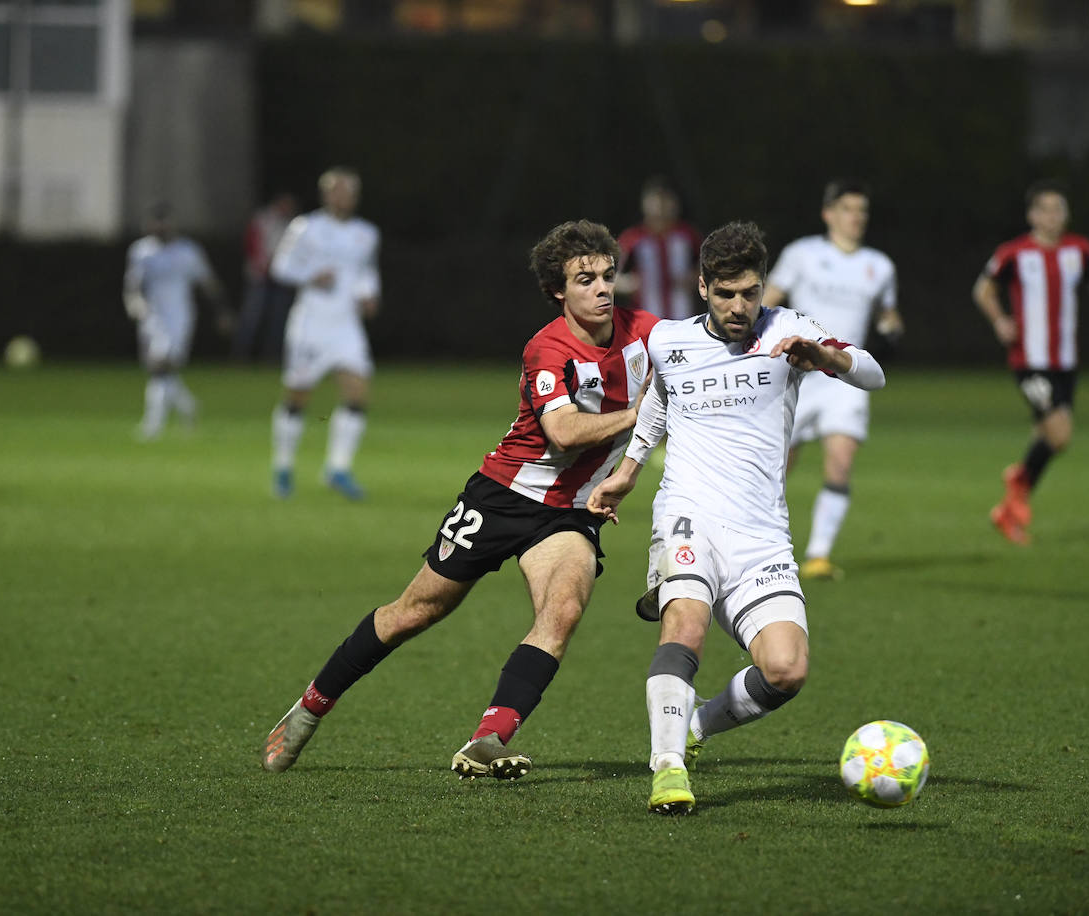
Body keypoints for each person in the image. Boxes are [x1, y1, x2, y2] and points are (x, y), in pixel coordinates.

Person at [262, 219, 658, 780]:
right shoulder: (546, 349)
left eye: (607, 276)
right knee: (414, 613)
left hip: (569, 513)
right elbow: (565, 433)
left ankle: (488, 739)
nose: (600, 288)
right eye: (584, 278)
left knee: (563, 610)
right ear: (557, 290)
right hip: (501, 497)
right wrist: (640, 415)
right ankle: (307, 710)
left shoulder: (648, 332)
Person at [587, 221, 886, 815]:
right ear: (702, 286)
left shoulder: (789, 328)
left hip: (761, 535)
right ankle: (668, 768)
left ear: (762, 286)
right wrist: (628, 470)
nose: (738, 306)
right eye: (725, 293)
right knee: (686, 626)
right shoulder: (669, 339)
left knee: (786, 668)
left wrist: (825, 357)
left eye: (749, 292)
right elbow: (658, 402)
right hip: (688, 514)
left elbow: (873, 373)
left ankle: (693, 727)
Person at [763, 179, 902, 579]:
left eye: (862, 211)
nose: (856, 217)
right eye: (847, 209)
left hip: (845, 376)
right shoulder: (802, 254)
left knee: (840, 464)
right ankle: (762, 547)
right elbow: (770, 299)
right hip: (799, 375)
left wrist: (892, 326)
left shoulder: (880, 265)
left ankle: (819, 555)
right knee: (776, 467)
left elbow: (887, 314)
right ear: (828, 214)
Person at [972, 180, 1089, 545]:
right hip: (1029, 360)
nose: (1054, 216)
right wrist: (1000, 321)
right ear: (1033, 215)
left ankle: (1009, 510)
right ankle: (1017, 487)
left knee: (1050, 438)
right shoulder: (1015, 253)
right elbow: (983, 290)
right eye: (1046, 209)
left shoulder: (1080, 250)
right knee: (1060, 434)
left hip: (1066, 362)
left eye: (1059, 209)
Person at [268, 167, 381, 500]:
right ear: (326, 194)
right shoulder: (306, 227)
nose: (343, 196)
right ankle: (284, 466)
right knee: (297, 397)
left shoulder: (366, 233)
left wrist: (370, 295)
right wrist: (311, 275)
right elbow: (280, 267)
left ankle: (338, 468)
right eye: (337, 190)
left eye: (349, 191)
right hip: (311, 324)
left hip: (347, 325)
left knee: (357, 394)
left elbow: (366, 271)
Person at [123, 202, 233, 440]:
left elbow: (207, 282)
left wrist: (221, 311)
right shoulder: (141, 251)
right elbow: (133, 287)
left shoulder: (188, 251)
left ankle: (152, 425)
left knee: (162, 366)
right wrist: (134, 305)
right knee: (157, 369)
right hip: (151, 317)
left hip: (179, 317)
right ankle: (188, 406)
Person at [616, 178, 702, 320]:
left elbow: (707, 269)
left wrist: (693, 278)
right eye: (656, 203)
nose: (660, 209)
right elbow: (610, 277)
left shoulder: (688, 236)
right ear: (645, 205)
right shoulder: (632, 239)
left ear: (675, 204)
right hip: (645, 324)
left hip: (683, 320)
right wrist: (629, 284)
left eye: (665, 202)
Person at [231, 191, 298, 362]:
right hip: (259, 277)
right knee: (252, 318)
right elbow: (252, 245)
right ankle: (240, 356)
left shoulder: (291, 224)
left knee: (278, 319)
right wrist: (264, 265)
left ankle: (271, 357)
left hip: (281, 278)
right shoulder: (262, 219)